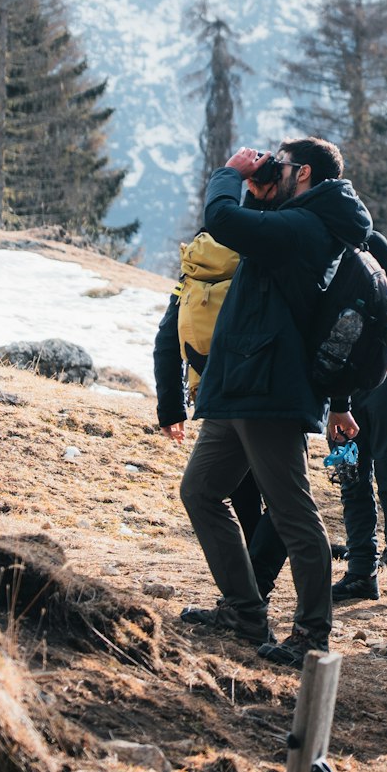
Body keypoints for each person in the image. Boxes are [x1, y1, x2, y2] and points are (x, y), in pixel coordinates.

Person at [177, 139, 372, 668]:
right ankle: (245, 611)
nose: (269, 169)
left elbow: (225, 223)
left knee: (292, 513)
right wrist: (263, 192)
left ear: (303, 173)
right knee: (199, 491)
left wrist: (228, 175)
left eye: (279, 165)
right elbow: (256, 237)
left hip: (270, 389)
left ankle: (313, 630)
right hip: (240, 383)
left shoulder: (309, 228)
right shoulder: (293, 218)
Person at [154, 229, 285, 600]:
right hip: (261, 392)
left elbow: (166, 340)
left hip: (210, 395)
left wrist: (171, 408)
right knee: (286, 498)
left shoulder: (193, 274)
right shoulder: (254, 256)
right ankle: (256, 584)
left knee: (234, 492)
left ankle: (246, 590)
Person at [328, 231, 387, 608]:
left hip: (383, 384)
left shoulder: (371, 245)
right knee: (352, 479)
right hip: (348, 391)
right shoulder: (336, 250)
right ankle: (362, 572)